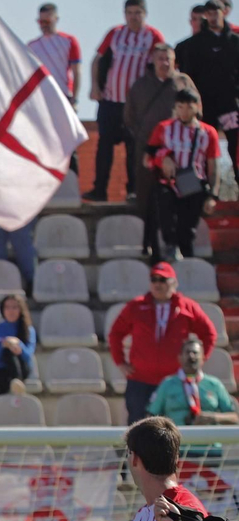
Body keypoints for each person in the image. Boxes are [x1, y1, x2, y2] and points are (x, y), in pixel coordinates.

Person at [108, 261, 217, 422]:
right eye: (154, 279)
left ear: (174, 283)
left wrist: (200, 360)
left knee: (173, 426)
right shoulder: (136, 306)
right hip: (141, 380)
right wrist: (120, 362)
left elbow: (209, 333)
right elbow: (115, 334)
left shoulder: (187, 307)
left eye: (163, 280)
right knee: (138, 426)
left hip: (175, 380)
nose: (157, 284)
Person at [87, 0, 166, 203]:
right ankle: (99, 190)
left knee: (134, 148)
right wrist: (95, 86)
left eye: (137, 13)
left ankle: (133, 191)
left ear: (145, 14)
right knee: (104, 146)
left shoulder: (152, 36)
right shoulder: (115, 33)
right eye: (129, 13)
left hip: (136, 106)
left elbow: (162, 62)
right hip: (111, 100)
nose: (133, 18)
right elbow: (97, 59)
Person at [126, 44, 199, 256]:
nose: (164, 63)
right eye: (160, 59)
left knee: (185, 200)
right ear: (153, 60)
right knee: (149, 198)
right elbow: (129, 116)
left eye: (168, 58)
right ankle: (149, 245)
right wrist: (144, 135)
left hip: (182, 154)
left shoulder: (183, 82)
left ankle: (184, 248)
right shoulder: (140, 85)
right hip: (148, 150)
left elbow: (197, 110)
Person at [145, 89, 221, 261]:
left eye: (188, 107)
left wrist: (212, 195)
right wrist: (163, 158)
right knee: (167, 220)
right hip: (168, 182)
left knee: (187, 230)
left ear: (197, 107)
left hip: (193, 185)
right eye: (180, 107)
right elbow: (147, 158)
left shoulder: (208, 133)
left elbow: (213, 167)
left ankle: (188, 265)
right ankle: (169, 250)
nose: (184, 112)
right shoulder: (164, 128)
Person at [178, 0, 239, 171]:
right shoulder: (195, 44)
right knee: (203, 142)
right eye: (209, 14)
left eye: (215, 13)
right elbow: (189, 75)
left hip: (229, 104)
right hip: (205, 104)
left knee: (235, 141)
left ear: (223, 13)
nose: (212, 18)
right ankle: (205, 185)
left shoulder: (235, 42)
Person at [147, 337, 239, 426]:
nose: (191, 356)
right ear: (179, 358)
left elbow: (235, 417)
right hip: (178, 439)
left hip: (209, 440)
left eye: (195, 352)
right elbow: (151, 416)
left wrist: (213, 418)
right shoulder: (167, 384)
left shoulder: (214, 384)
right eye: (187, 352)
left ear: (203, 358)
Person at [29, 4, 82, 109]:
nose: (44, 25)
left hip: (63, 93)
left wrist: (74, 99)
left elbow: (77, 71)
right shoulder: (32, 46)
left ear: (55, 19)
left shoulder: (69, 41)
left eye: (47, 22)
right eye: (41, 22)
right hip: (41, 97)